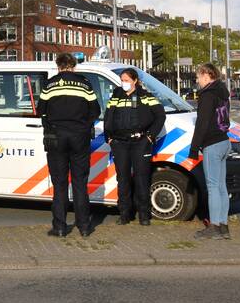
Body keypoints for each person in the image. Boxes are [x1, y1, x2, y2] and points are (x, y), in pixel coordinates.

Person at [37, 53, 101, 237]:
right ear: (74, 66)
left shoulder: (50, 84)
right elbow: (95, 110)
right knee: (80, 182)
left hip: (56, 137)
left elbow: (41, 110)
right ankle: (84, 227)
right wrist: (84, 125)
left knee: (60, 183)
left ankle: (59, 227)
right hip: (79, 137)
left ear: (58, 66)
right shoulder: (84, 83)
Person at [104, 68, 166, 226]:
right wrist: (109, 137)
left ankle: (144, 216)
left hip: (140, 143)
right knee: (123, 179)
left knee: (141, 179)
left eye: (126, 80)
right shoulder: (116, 96)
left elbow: (160, 115)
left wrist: (150, 137)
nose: (123, 83)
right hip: (120, 143)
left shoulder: (145, 96)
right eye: (122, 80)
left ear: (135, 80)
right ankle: (124, 214)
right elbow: (108, 116)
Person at [188, 63, 232, 240]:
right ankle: (223, 226)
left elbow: (202, 123)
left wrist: (193, 148)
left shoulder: (207, 95)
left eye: (198, 76)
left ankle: (214, 226)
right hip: (224, 141)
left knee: (213, 187)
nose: (197, 80)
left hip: (212, 144)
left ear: (207, 75)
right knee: (221, 186)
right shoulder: (222, 92)